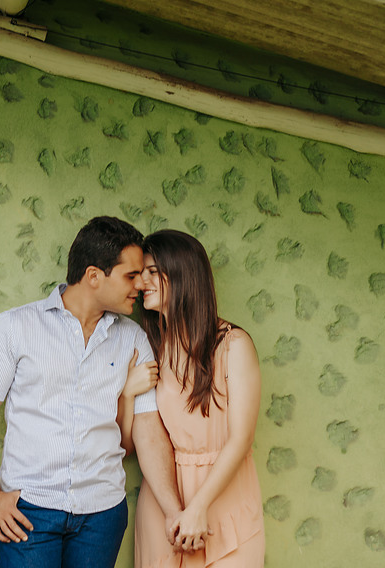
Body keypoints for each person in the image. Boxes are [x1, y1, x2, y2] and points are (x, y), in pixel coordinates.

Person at [0, 216, 188, 568]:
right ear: (94, 276)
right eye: (131, 275)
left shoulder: (134, 340)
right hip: (28, 514)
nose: (141, 285)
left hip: (101, 516)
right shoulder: (13, 328)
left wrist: (175, 511)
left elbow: (139, 437)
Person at [131, 229, 265, 567]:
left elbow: (241, 438)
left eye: (153, 272)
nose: (141, 282)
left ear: (183, 275)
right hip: (164, 499)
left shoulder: (233, 345)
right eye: (139, 273)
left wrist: (199, 507)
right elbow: (144, 433)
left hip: (223, 494)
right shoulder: (153, 349)